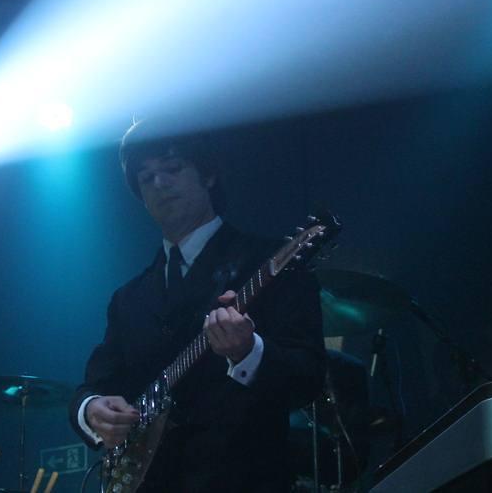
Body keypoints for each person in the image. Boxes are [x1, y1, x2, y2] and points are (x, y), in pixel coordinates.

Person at [68, 120, 326, 492]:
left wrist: (248, 352)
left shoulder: (270, 261)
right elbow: (96, 385)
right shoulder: (128, 299)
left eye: (173, 168)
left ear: (208, 175)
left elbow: (308, 377)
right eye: (146, 178)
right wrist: (91, 410)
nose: (159, 183)